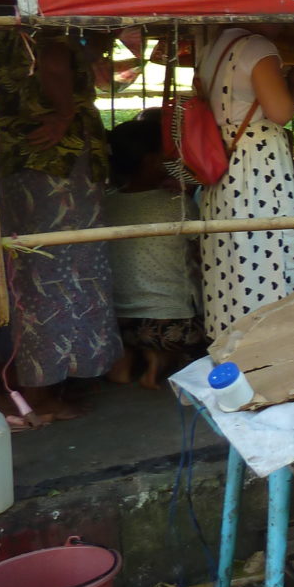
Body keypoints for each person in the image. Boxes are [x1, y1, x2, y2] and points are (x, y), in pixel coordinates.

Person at [0, 28, 120, 424]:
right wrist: (64, 116)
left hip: (20, 160)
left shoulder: (1, 30)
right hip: (55, 165)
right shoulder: (48, 25)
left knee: (28, 270)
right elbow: (56, 64)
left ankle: (35, 384)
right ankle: (41, 395)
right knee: (61, 270)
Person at [197, 25, 294, 340]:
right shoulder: (257, 47)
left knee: (232, 254)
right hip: (257, 162)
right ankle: (271, 339)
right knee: (269, 247)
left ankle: (232, 338)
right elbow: (280, 111)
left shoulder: (214, 47)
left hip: (224, 160)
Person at [104, 110, 203, 389]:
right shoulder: (175, 203)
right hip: (172, 327)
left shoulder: (105, 203)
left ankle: (129, 360)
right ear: (150, 160)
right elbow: (202, 252)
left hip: (118, 322)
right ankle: (159, 360)